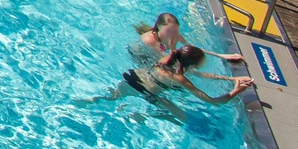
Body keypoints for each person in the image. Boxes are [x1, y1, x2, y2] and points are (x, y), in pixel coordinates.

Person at [104, 46, 254, 111]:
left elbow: (200, 74)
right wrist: (237, 91)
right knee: (179, 117)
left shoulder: (167, 58)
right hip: (142, 91)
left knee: (111, 98)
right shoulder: (179, 78)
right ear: (193, 64)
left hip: (130, 77)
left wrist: (231, 79)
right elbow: (213, 101)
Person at [136, 13, 246, 68]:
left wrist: (223, 56)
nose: (173, 35)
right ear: (159, 27)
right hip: (142, 58)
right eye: (169, 32)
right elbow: (166, 61)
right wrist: (173, 49)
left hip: (162, 56)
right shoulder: (150, 41)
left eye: (175, 31)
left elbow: (193, 49)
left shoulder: (174, 34)